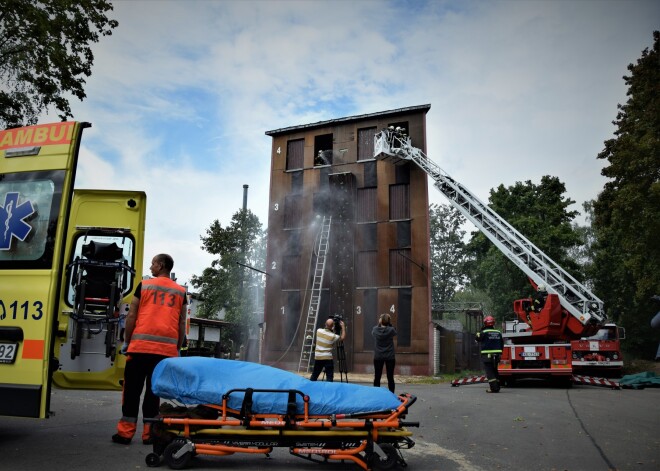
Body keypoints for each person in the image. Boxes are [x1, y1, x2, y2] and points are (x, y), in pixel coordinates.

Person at [112, 254, 187, 445]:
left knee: (131, 392)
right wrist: (176, 348)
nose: (151, 266)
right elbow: (180, 323)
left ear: (161, 265)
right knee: (153, 394)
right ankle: (149, 434)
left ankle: (125, 433)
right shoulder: (180, 292)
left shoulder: (144, 285)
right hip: (164, 353)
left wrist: (127, 342)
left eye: (153, 263)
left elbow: (131, 316)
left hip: (139, 349)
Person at [309, 317, 346, 382]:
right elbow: (342, 337)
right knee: (329, 377)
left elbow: (327, 329)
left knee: (314, 375)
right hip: (327, 358)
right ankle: (329, 388)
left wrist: (332, 328)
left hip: (318, 357)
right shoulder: (333, 336)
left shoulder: (318, 331)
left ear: (325, 324)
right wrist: (343, 327)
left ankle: (310, 388)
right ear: (333, 326)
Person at [476, 316, 503, 393]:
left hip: (487, 356)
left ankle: (494, 388)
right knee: (495, 371)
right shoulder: (498, 332)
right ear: (493, 323)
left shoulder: (484, 332)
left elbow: (477, 338)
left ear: (485, 323)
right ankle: (497, 387)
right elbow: (502, 343)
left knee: (490, 372)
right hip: (497, 355)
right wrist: (500, 353)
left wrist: (479, 332)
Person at [372, 313, 397, 393]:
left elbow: (373, 333)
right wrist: (389, 323)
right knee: (390, 377)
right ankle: (391, 395)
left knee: (377, 376)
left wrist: (380, 324)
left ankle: (376, 394)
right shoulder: (391, 330)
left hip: (378, 356)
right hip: (390, 356)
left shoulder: (375, 329)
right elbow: (394, 331)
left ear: (381, 320)